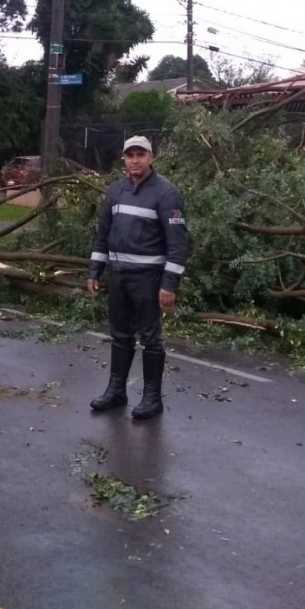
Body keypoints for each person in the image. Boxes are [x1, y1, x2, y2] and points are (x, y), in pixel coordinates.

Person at [86, 136, 189, 420]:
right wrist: (95, 270)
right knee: (120, 336)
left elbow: (178, 244)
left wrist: (169, 284)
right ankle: (116, 391)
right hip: (118, 278)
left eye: (140, 154)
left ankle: (152, 398)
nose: (135, 160)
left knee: (150, 339)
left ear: (151, 157)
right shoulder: (115, 191)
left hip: (148, 279)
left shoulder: (167, 193)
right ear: (124, 159)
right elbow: (102, 235)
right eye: (129, 155)